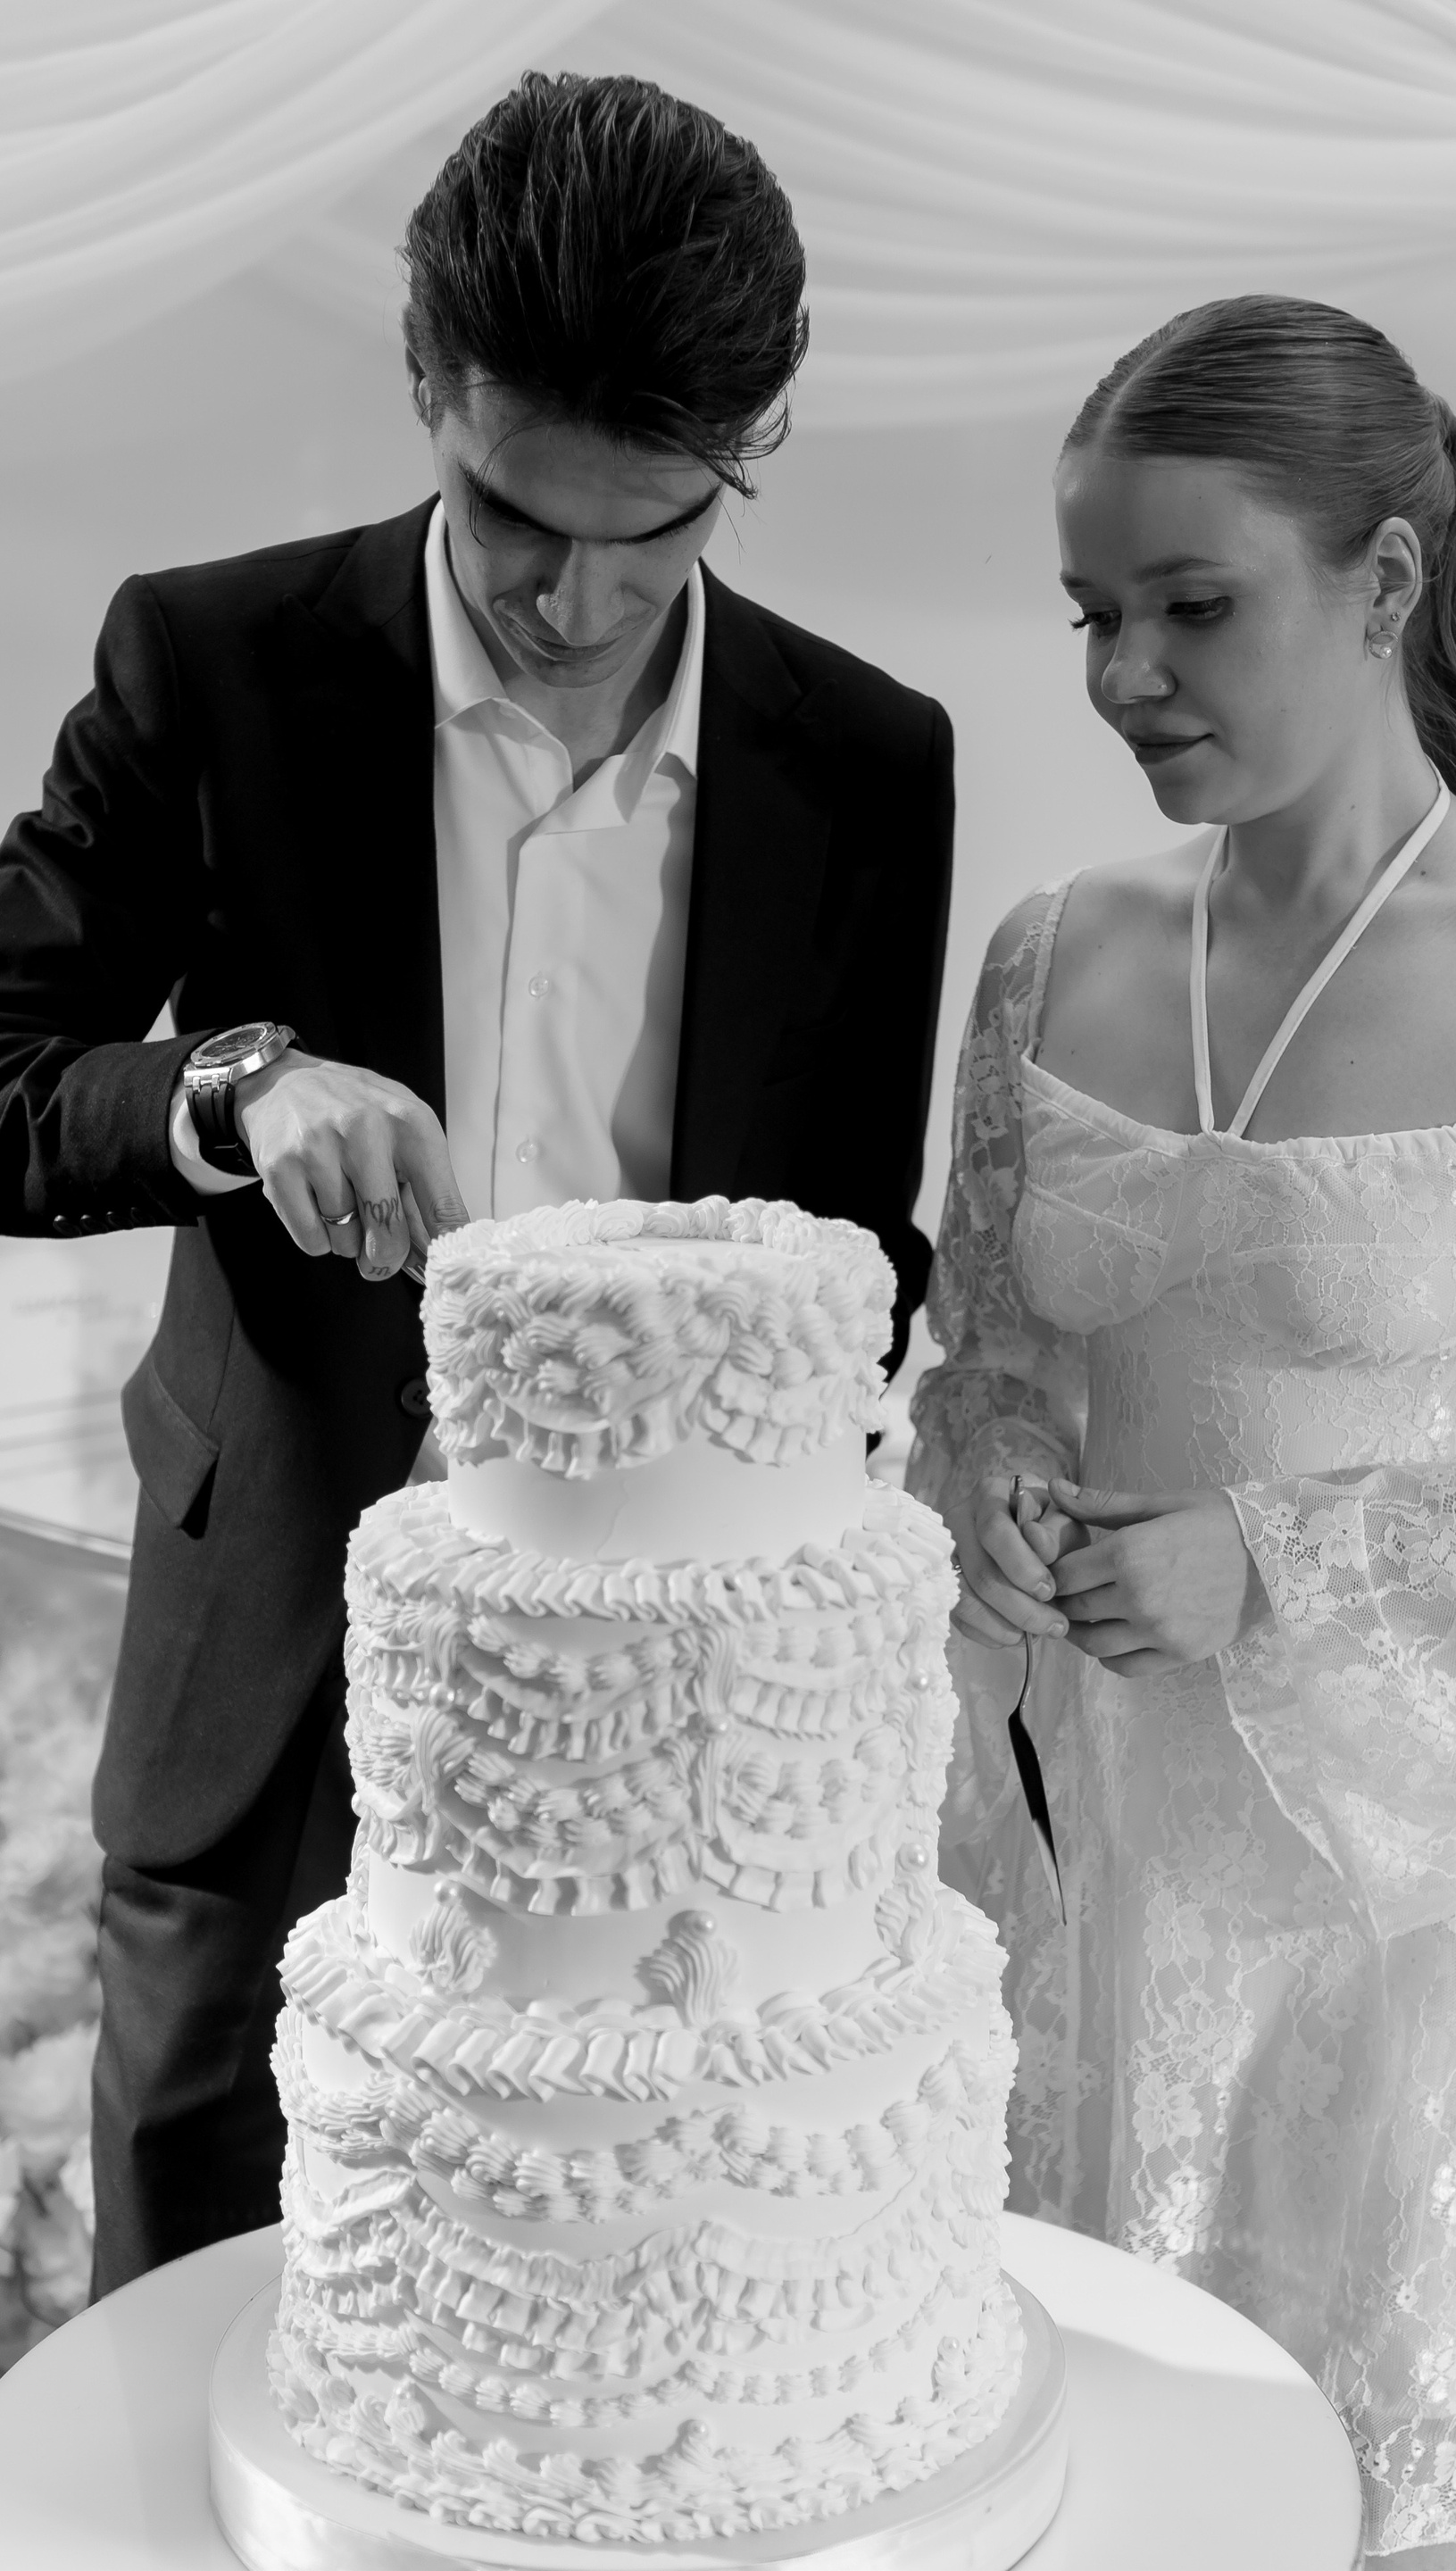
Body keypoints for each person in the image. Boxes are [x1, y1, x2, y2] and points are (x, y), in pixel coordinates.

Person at [0, 71, 954, 2297]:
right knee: (191, 2222)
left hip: (671, 1707)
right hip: (273, 1632)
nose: (575, 601)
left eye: (658, 531)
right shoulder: (210, 663)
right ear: (428, 383)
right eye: (514, 514)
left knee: (596, 2297)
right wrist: (235, 1085)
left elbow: (846, 1246)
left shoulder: (871, 761)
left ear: (747, 453)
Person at [907, 294, 1456, 2568]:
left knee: (1376, 2486)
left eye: (1193, 607)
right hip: (1092, 1871)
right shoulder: (1045, 955)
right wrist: (991, 1474)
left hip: (1416, 1919)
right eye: (1094, 613)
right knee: (1084, 2480)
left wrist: (1268, 1561)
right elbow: (986, 1360)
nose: (1125, 674)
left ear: (1385, 582)